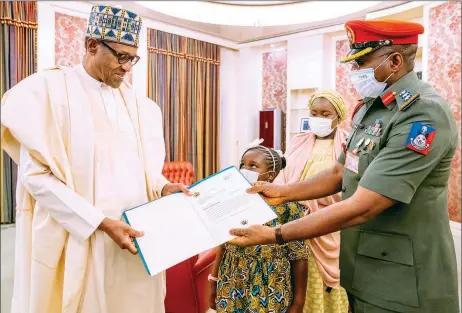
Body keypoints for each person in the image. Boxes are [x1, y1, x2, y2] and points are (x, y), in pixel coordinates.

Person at [228, 20, 460, 313]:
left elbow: (365, 204)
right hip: (361, 267)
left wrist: (276, 234)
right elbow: (340, 173)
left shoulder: (422, 113)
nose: (354, 72)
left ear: (395, 61)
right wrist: (284, 192)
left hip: (404, 280)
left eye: (361, 62)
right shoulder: (370, 109)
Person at [1, 5, 190, 313]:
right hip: (84, 237)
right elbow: (36, 178)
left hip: (136, 238)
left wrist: (165, 187)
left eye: (133, 58)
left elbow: (145, 171)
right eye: (121, 56)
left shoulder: (141, 106)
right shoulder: (49, 92)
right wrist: (100, 223)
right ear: (91, 45)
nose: (128, 68)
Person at [209, 144, 309, 313]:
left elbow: (299, 254)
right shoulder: (232, 201)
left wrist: (299, 301)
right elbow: (224, 243)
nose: (245, 169)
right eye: (242, 165)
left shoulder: (288, 207)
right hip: (232, 280)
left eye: (253, 166)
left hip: (271, 283)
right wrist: (213, 279)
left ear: (270, 175)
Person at [274, 89, 349, 313]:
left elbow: (346, 185)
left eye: (326, 114)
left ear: (338, 116)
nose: (318, 118)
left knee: (321, 283)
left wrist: (311, 204)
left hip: (327, 225)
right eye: (314, 113)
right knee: (294, 285)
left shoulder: (348, 143)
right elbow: (283, 176)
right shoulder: (298, 141)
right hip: (292, 223)